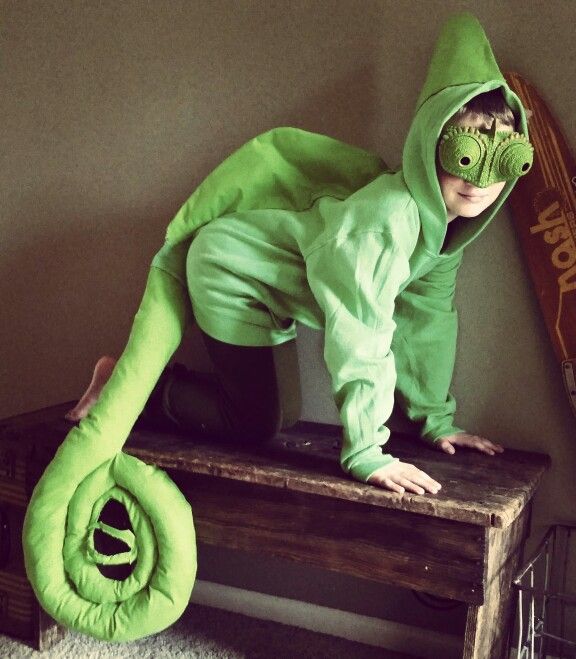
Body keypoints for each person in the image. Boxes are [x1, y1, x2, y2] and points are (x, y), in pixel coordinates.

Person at [66, 13, 533, 496]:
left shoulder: (448, 231)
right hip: (231, 271)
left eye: (503, 161)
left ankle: (132, 382)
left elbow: (429, 321)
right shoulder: (387, 220)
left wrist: (437, 421)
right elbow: (361, 329)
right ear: (428, 145)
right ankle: (124, 386)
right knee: (253, 425)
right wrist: (366, 452)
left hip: (272, 286)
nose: (480, 184)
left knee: (283, 415)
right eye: (464, 158)